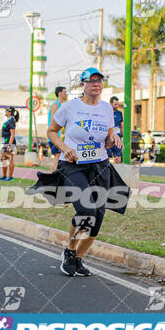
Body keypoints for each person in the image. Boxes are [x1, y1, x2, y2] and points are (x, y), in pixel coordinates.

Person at [41, 67, 129, 277]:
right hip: (72, 164)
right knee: (86, 209)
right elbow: (52, 131)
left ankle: (78, 258)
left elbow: (107, 140)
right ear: (83, 84)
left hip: (99, 166)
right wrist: (65, 148)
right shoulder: (70, 107)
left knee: (98, 217)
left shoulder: (107, 109)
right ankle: (69, 251)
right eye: (91, 81)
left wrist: (113, 140)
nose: (96, 84)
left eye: (99, 81)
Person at [48, 86, 68, 172]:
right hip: (54, 136)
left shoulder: (60, 105)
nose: (66, 94)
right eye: (64, 92)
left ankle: (52, 177)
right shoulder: (55, 105)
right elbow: (54, 122)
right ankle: (51, 177)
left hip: (57, 136)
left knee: (58, 157)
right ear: (59, 93)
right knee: (57, 157)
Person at [0, 106, 19, 181]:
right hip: (5, 142)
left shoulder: (11, 121)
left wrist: (9, 145)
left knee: (10, 159)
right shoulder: (9, 120)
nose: (5, 112)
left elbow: (12, 134)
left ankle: (10, 177)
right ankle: (4, 176)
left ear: (10, 112)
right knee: (4, 159)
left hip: (10, 143)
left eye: (6, 111)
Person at [106, 96, 124, 163]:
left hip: (118, 139)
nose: (117, 106)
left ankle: (117, 172)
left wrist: (122, 137)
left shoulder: (119, 113)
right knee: (106, 159)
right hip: (109, 139)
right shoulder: (106, 112)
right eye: (115, 104)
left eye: (118, 104)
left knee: (118, 159)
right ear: (110, 104)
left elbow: (121, 125)